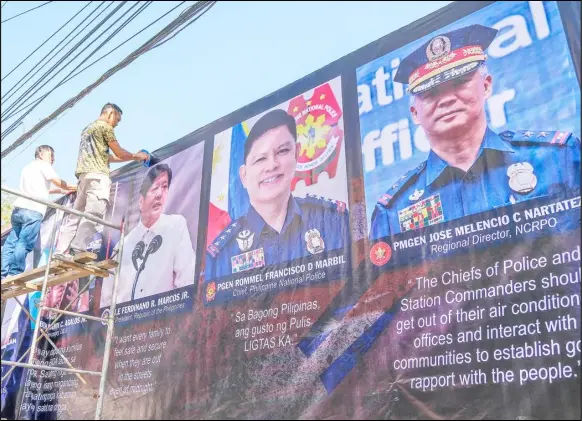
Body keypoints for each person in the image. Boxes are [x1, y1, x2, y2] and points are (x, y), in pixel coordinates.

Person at [369, 24, 581, 241]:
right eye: (430, 92)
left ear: (486, 86)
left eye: (459, 82)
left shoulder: (558, 158)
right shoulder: (393, 212)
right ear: (415, 113)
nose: (446, 99)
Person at [205, 109, 350, 281]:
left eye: (282, 151)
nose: (272, 165)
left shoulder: (332, 221)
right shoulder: (223, 252)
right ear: (244, 176)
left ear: (296, 153)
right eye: (260, 159)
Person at [55, 103, 149, 258]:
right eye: (116, 120)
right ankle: (78, 248)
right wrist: (136, 156)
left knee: (75, 216)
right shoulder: (105, 127)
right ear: (110, 113)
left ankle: (60, 251)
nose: (116, 124)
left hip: (84, 178)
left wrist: (130, 156)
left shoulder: (88, 129)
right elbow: (118, 151)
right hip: (98, 178)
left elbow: (107, 157)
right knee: (94, 213)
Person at [100, 163, 196, 306]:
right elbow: (107, 299)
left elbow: (187, 280)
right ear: (140, 201)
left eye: (164, 187)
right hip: (124, 324)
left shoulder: (175, 226)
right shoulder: (123, 246)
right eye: (154, 188)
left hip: (163, 322)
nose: (160, 194)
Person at [1, 146, 76, 278]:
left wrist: (61, 191)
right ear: (41, 154)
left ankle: (2, 274)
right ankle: (14, 273)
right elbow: (58, 182)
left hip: (19, 209)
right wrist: (76, 186)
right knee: (24, 242)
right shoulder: (44, 165)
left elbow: (42, 188)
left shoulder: (28, 167)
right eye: (50, 155)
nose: (53, 159)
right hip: (33, 209)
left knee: (11, 243)